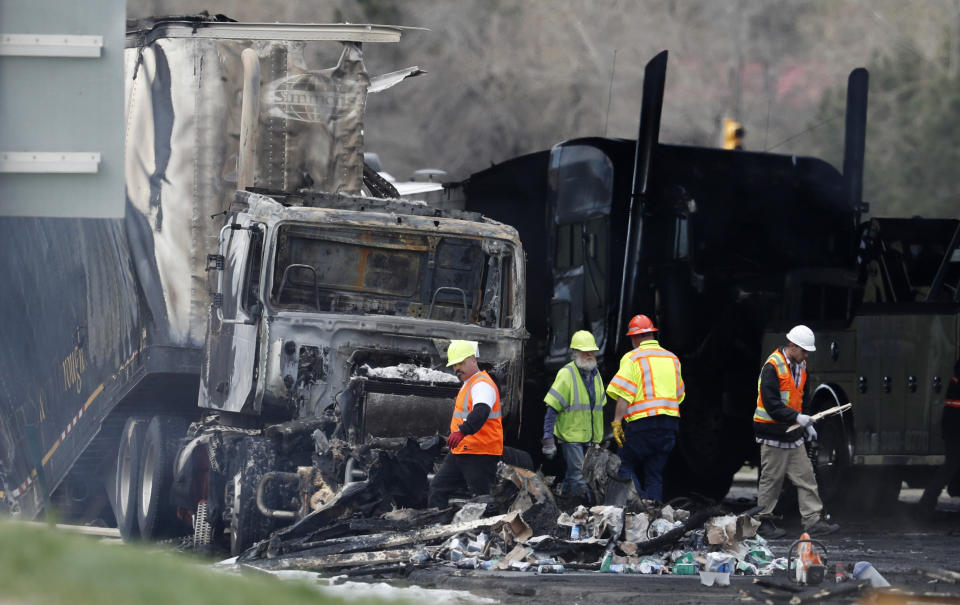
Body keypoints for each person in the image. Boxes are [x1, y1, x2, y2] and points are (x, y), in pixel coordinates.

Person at [754, 325, 839, 538]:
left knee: (806, 477)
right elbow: (772, 405)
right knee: (771, 481)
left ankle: (813, 521)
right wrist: (797, 418)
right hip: (773, 434)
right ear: (792, 346)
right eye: (803, 350)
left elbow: (801, 399)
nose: (806, 354)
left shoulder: (801, 367)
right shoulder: (772, 367)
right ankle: (762, 522)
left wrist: (806, 423)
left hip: (792, 435)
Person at [606, 314, 684, 503]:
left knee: (625, 465)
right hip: (669, 424)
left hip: (642, 425)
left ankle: (637, 506)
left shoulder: (633, 358)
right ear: (652, 334)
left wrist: (617, 423)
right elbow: (680, 395)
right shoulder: (672, 358)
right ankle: (653, 511)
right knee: (654, 473)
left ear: (634, 337)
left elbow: (624, 394)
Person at [427, 340, 503, 508]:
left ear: (473, 360)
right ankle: (437, 529)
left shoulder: (482, 384)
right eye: (454, 365)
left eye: (461, 363)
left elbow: (481, 411)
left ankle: (485, 533)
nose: (457, 368)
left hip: (480, 452)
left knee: (482, 499)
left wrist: (461, 432)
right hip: (463, 450)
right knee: (438, 488)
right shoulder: (469, 384)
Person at [542, 330, 607, 501]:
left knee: (578, 475)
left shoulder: (596, 375)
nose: (589, 355)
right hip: (571, 436)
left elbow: (599, 408)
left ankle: (566, 505)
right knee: (579, 475)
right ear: (575, 353)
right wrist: (548, 438)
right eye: (584, 352)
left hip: (592, 439)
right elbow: (552, 408)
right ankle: (582, 510)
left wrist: (601, 439)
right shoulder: (567, 374)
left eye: (591, 351)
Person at [919, 359, 960, 512]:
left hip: (952, 431)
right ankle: (925, 505)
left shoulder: (955, 382)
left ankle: (926, 504)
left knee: (949, 467)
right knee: (950, 467)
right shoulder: (957, 384)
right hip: (956, 431)